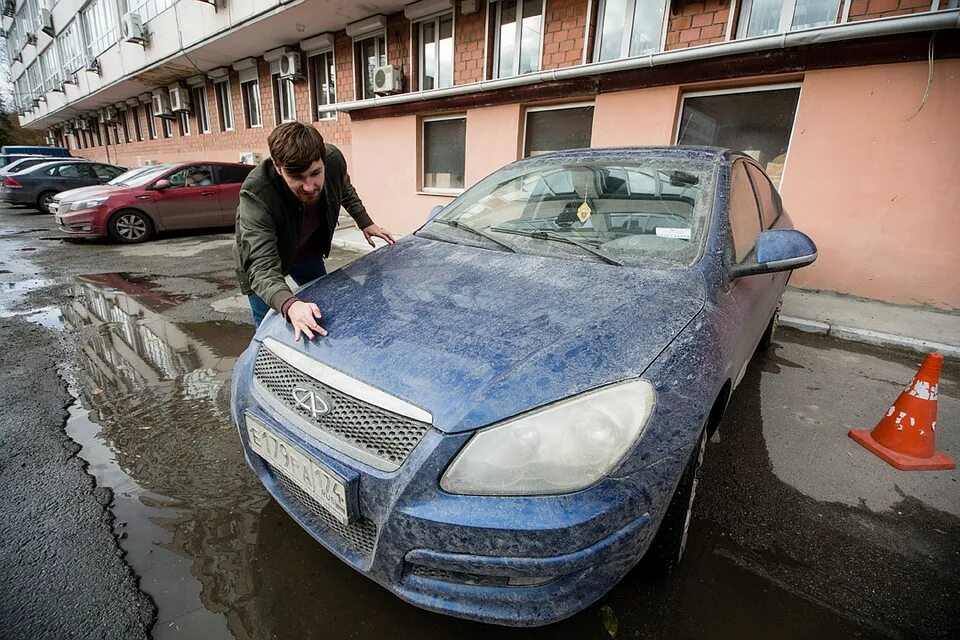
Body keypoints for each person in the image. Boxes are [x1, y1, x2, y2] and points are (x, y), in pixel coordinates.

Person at [234, 122, 394, 340]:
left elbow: (343, 187)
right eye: (297, 177)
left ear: (324, 161)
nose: (309, 186)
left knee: (324, 310)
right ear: (278, 167)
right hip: (263, 262)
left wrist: (364, 221)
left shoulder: (334, 160)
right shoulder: (256, 193)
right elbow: (261, 267)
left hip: (307, 252)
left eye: (315, 173)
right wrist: (290, 304)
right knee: (268, 328)